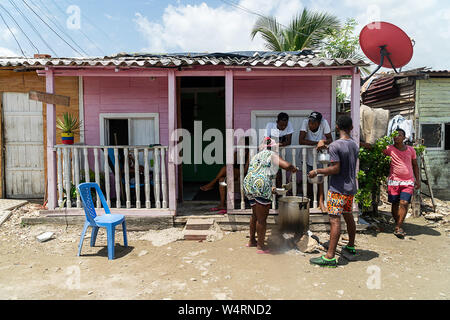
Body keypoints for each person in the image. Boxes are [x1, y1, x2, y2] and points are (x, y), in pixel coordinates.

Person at [308, 115, 359, 268]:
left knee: (335, 220)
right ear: (351, 128)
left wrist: (317, 171)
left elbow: (336, 168)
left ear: (337, 127)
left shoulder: (335, 145)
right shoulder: (354, 145)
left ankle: (329, 257)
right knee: (348, 216)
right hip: (350, 187)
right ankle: (350, 245)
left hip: (338, 189)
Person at [243, 137, 298, 254]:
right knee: (262, 219)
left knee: (254, 214)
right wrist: (293, 168)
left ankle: (252, 241)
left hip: (248, 183)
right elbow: (286, 165)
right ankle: (261, 246)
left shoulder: (256, 156)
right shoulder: (271, 154)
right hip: (261, 183)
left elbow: (250, 170)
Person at [383, 128, 420, 238]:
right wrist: (359, 143)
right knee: (394, 204)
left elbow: (415, 165)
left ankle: (398, 227)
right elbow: (375, 148)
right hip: (394, 181)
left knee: (404, 202)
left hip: (408, 181)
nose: (396, 137)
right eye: (395, 135)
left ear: (404, 137)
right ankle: (398, 223)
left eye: (399, 135)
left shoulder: (411, 150)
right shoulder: (389, 149)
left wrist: (417, 180)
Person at [200, 137, 250, 214]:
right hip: (234, 173)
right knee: (221, 180)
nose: (240, 145)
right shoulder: (237, 153)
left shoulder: (250, 154)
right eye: (239, 144)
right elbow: (230, 165)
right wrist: (238, 155)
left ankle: (211, 183)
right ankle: (222, 204)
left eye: (242, 144)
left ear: (247, 145)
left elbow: (246, 170)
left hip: (242, 174)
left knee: (224, 168)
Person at [299, 111, 333, 212]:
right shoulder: (305, 123)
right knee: (308, 179)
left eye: (313, 123)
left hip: (319, 156)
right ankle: (309, 201)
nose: (310, 124)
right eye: (310, 122)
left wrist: (323, 142)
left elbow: (330, 139)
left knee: (320, 179)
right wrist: (318, 143)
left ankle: (321, 201)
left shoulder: (324, 123)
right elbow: (301, 141)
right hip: (306, 156)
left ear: (319, 123)